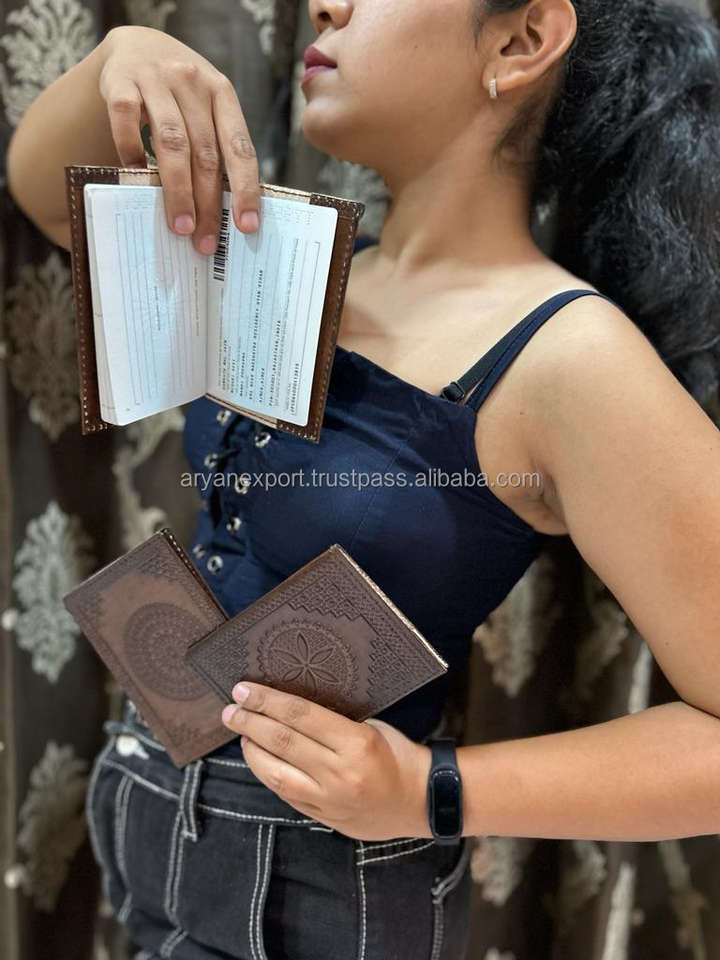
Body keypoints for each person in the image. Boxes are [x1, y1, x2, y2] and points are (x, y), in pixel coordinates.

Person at [7, 1, 720, 958]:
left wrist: (432, 790)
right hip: (149, 807)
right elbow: (48, 198)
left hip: (314, 886)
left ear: (520, 42)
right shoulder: (291, 265)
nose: (326, 4)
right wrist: (119, 56)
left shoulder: (571, 358)